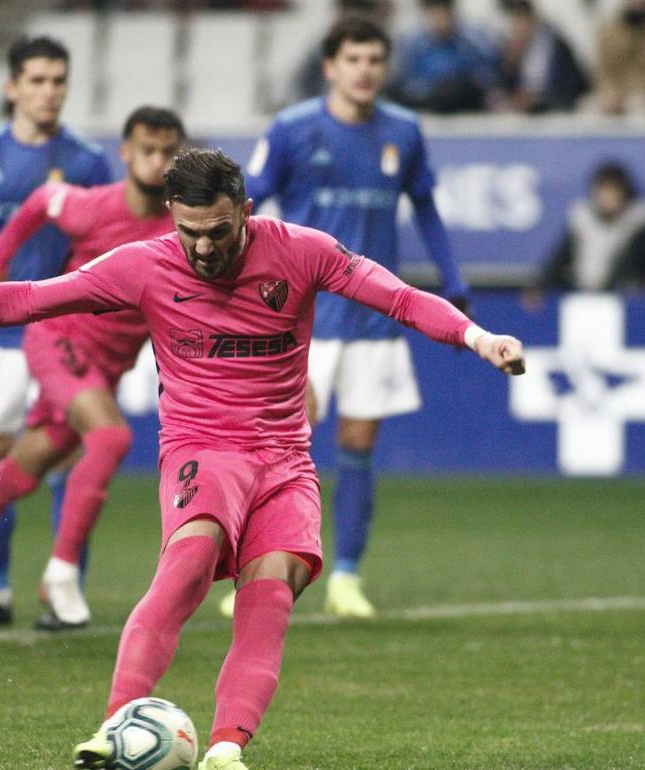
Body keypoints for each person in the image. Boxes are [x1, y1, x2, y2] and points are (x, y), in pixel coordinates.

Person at [0, 147, 525, 770]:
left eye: (217, 231)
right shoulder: (144, 263)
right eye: (188, 230)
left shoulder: (305, 252)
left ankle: (227, 750)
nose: (202, 247)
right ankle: (115, 731)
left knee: (273, 589)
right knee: (191, 562)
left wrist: (478, 336)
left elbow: (399, 297)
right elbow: (28, 298)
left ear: (246, 213)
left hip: (285, 458)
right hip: (202, 450)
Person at [0, 106, 183, 630]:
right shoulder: (92, 207)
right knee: (110, 438)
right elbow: (43, 199)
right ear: (126, 153)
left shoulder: (182, 227)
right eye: (147, 150)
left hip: (104, 367)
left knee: (19, 474)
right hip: (59, 341)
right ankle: (61, 576)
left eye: (167, 152)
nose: (157, 162)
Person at [240, 15, 472, 619]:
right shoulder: (293, 129)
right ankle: (257, 565)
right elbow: (249, 200)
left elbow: (425, 208)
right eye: (354, 60)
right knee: (287, 443)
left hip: (374, 317)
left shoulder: (404, 131)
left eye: (374, 60)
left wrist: (455, 284)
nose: (365, 71)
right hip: (299, 316)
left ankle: (344, 575)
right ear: (330, 67)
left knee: (358, 443)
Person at [0, 35, 111, 628]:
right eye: (37, 80)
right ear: (12, 87)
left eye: (58, 80)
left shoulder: (87, 161)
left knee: (64, 457)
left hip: (61, 334)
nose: (49, 92)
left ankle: (65, 597)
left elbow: (106, 248)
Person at [525, 161, 645, 302]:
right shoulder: (582, 217)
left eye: (613, 192)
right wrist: (539, 285)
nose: (608, 198)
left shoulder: (639, 220)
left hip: (623, 297)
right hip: (581, 292)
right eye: (603, 192)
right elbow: (560, 256)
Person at [389, 0, 499, 113]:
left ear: (452, 12)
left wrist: (460, 85)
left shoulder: (472, 40)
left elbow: (488, 78)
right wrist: (431, 90)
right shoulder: (412, 44)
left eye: (444, 12)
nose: (440, 18)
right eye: (435, 12)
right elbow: (404, 85)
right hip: (426, 107)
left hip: (467, 108)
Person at [490, 0, 588, 114]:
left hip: (554, 110)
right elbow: (503, 88)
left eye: (521, 20)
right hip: (521, 114)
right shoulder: (511, 48)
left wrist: (538, 97)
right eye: (515, 22)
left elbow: (572, 85)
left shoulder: (554, 44)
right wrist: (511, 62)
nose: (518, 27)